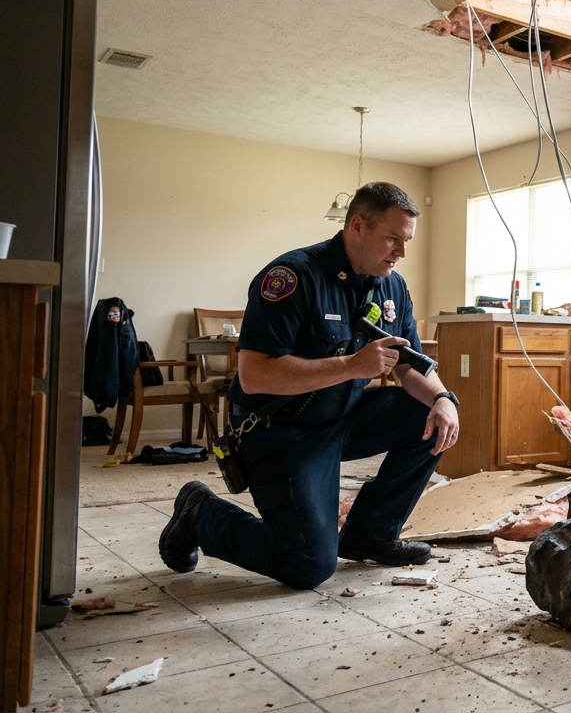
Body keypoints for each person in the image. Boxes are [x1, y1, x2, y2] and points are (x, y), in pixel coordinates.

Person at [158, 182, 460, 589]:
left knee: (431, 416)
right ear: (357, 225)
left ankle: (370, 533)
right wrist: (353, 365)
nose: (401, 252)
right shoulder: (292, 276)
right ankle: (201, 513)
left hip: (341, 418)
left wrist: (442, 398)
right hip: (279, 430)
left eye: (406, 241)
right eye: (392, 238)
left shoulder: (393, 287)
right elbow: (255, 374)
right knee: (308, 566)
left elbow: (410, 367)